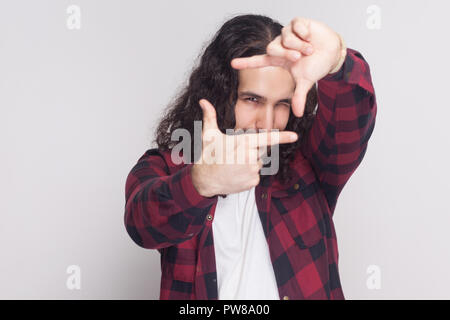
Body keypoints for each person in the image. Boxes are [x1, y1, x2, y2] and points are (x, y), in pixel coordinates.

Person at [124, 14, 377, 300]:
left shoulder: (309, 164)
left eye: (281, 103)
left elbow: (351, 120)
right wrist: (200, 183)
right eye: (252, 100)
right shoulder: (168, 165)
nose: (267, 123)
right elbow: (141, 224)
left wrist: (337, 63)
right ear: (220, 93)